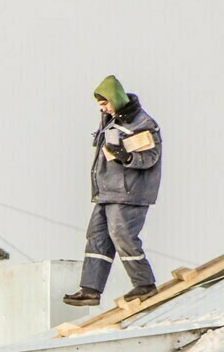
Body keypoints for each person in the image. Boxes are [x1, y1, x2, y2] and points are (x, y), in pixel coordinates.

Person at [64, 75, 162, 306]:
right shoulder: (110, 121)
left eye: (105, 103)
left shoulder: (142, 122)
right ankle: (90, 289)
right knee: (97, 236)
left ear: (116, 98)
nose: (104, 108)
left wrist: (127, 156)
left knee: (122, 235)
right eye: (100, 105)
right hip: (107, 192)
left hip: (130, 193)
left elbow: (151, 156)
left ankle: (144, 283)